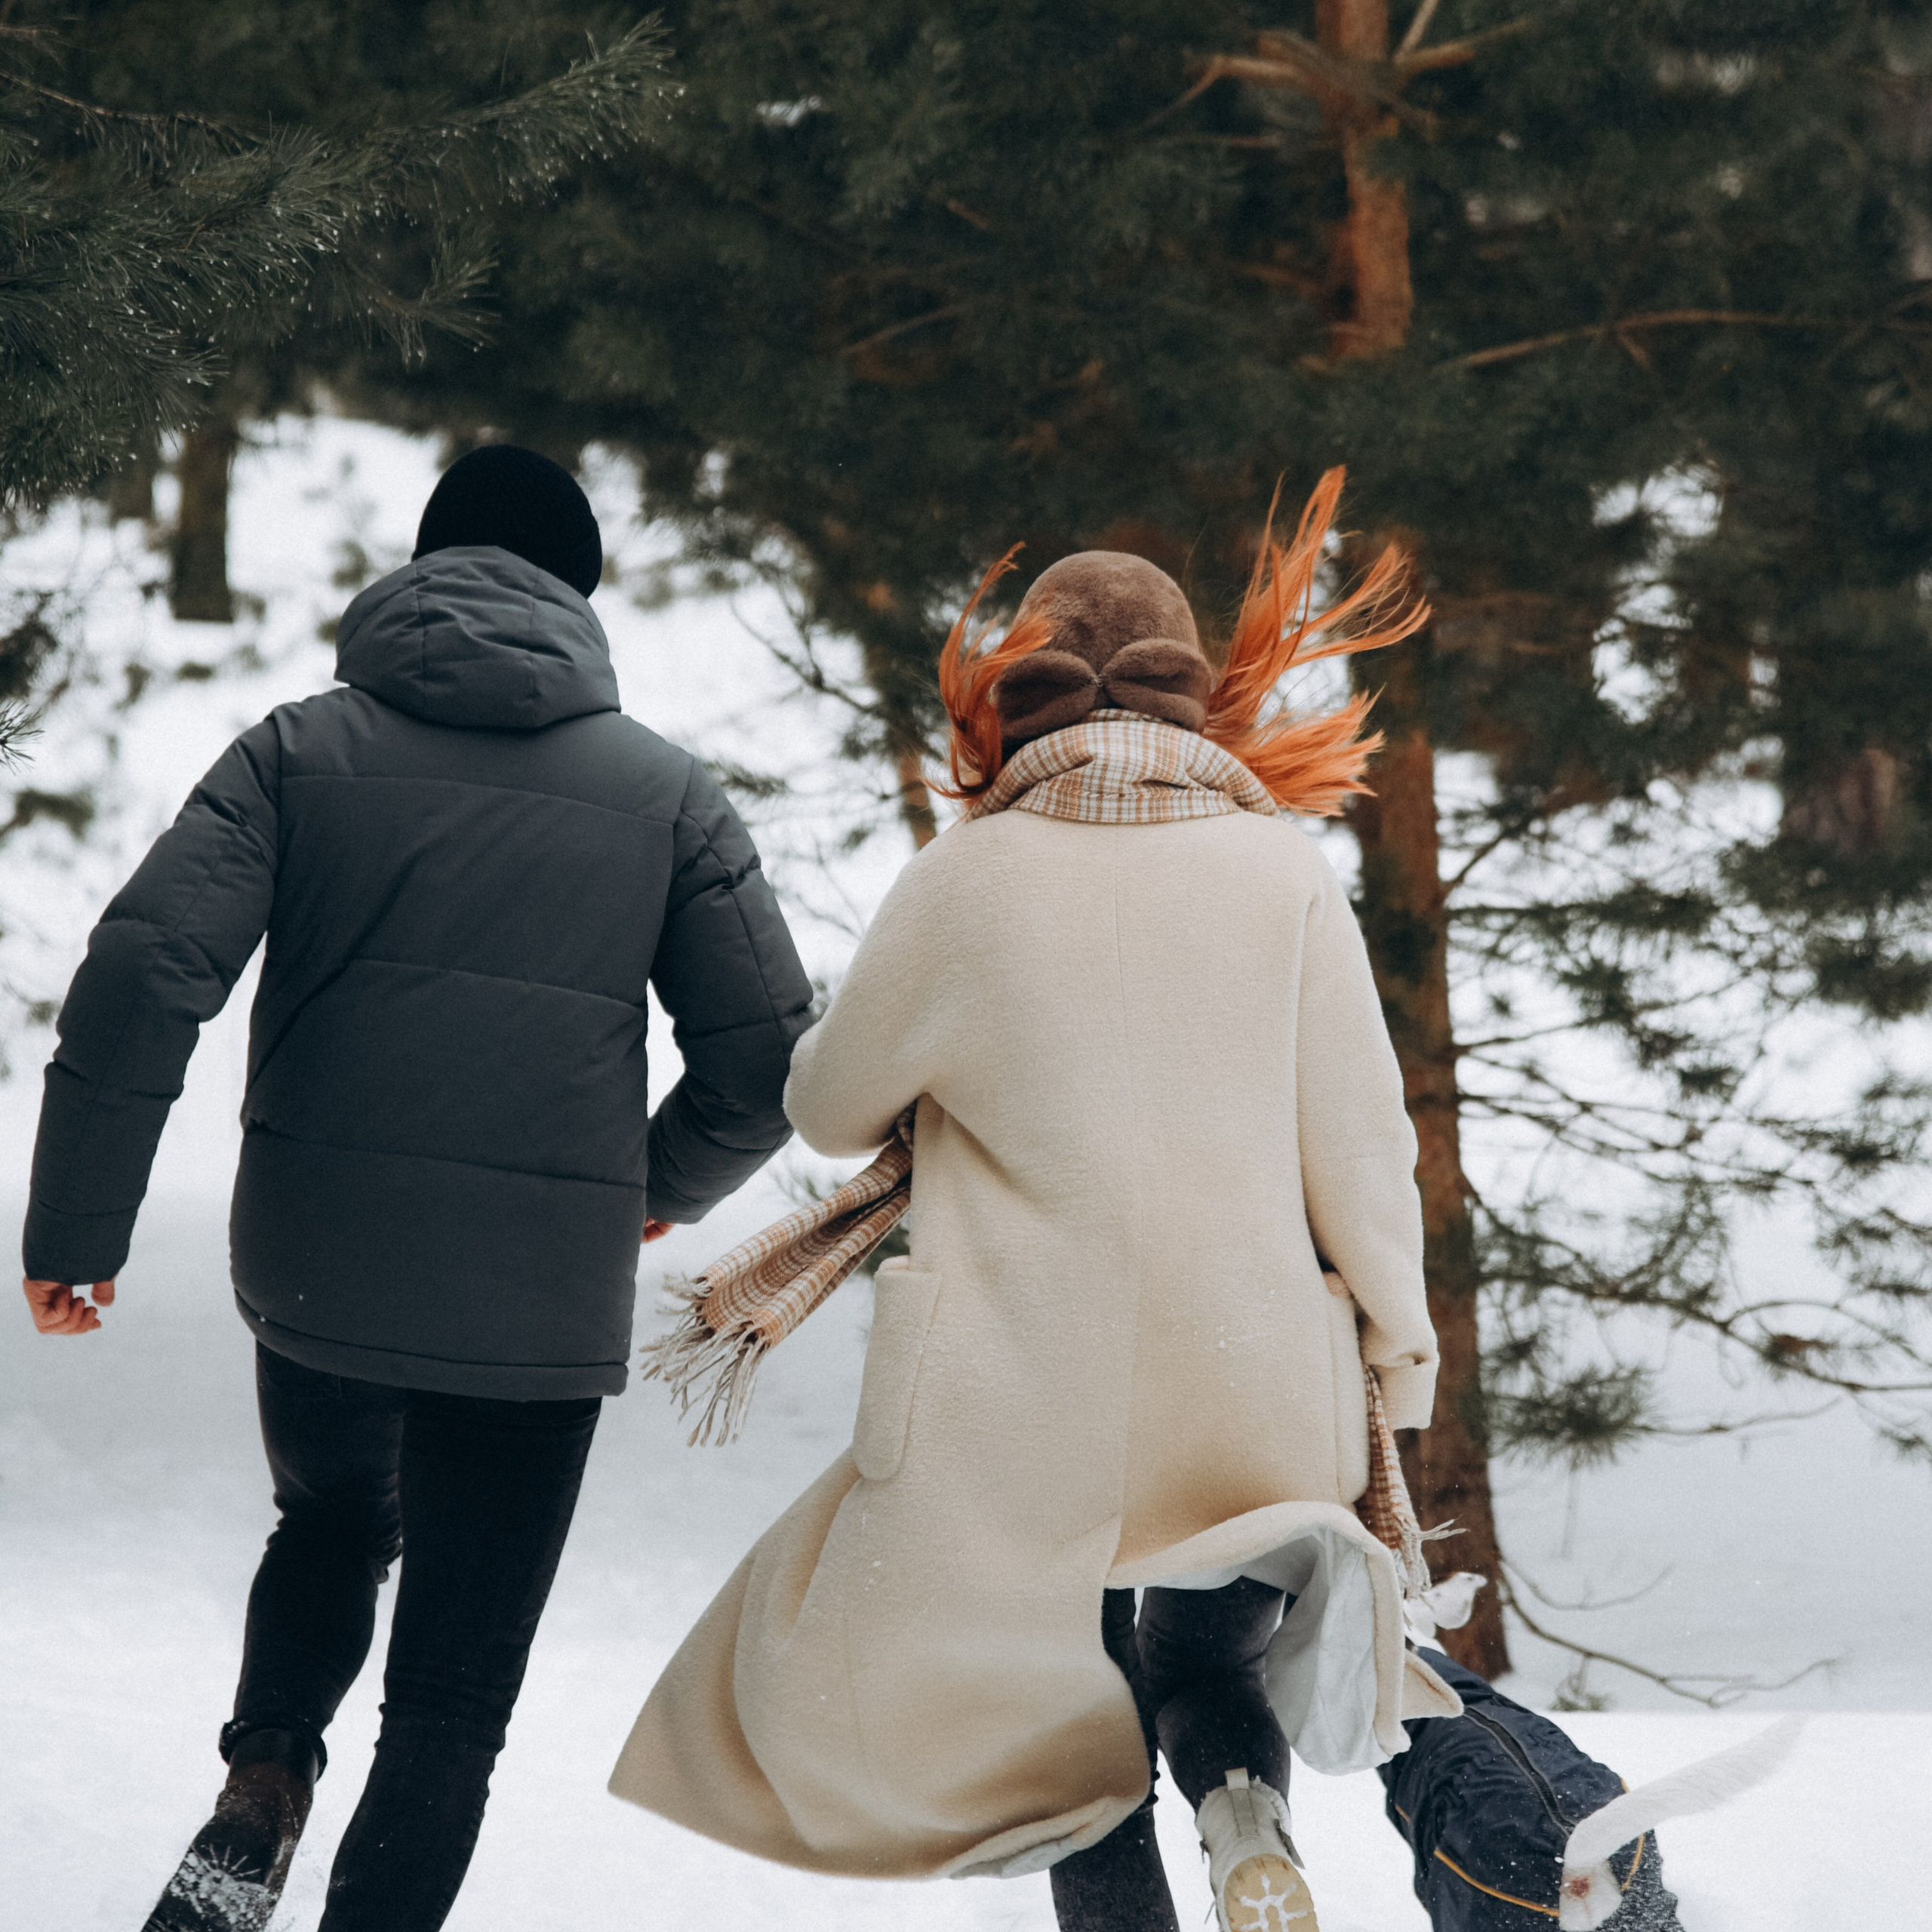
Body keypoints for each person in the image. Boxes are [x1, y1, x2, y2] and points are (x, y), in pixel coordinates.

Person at [609, 471, 1461, 1932]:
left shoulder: (970, 877)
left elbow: (828, 1107)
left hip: (1019, 1396)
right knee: (1203, 1659)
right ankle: (1244, 1818)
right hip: (1247, 1379)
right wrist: (1398, 1354)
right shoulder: (1282, 874)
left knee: (1059, 1728)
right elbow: (1359, 1148)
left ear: (1019, 687)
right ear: (1195, 692)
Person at [20, 445, 814, 1932]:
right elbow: (769, 1061)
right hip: (537, 1308)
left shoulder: (295, 751)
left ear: (422, 567)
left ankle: (261, 1785)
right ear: (581, 596)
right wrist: (643, 1185)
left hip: (319, 1267)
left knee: (328, 1523)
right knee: (449, 1700)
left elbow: (141, 974)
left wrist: (76, 1226)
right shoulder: (667, 797)